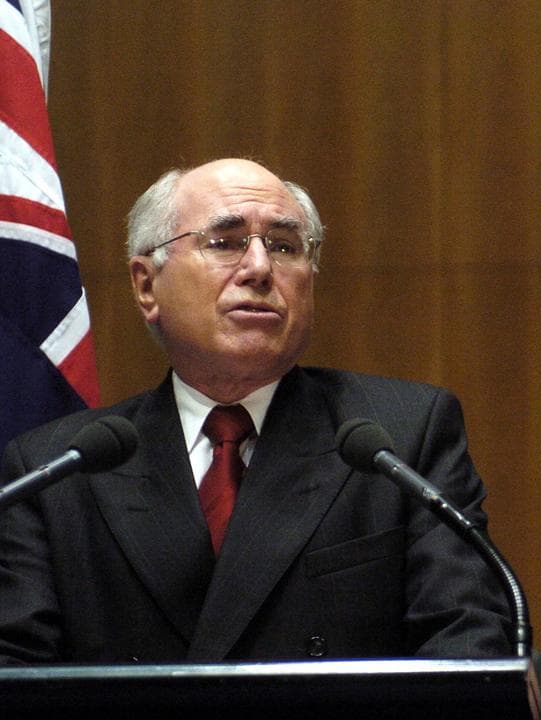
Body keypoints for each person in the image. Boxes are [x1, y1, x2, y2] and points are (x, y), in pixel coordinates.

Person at [0, 159, 514, 662]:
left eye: (285, 246)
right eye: (224, 242)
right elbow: (17, 673)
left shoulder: (401, 436)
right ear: (146, 285)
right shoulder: (54, 470)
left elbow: (468, 642)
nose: (260, 268)